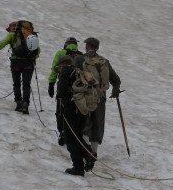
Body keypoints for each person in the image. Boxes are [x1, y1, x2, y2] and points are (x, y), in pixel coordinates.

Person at [72, 37, 121, 170]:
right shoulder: (104, 62)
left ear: (87, 46)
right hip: (100, 98)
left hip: (84, 98)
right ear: (97, 48)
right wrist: (115, 91)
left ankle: (86, 153)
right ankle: (94, 152)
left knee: (85, 125)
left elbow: (73, 78)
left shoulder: (79, 59)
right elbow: (116, 80)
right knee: (97, 125)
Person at [0, 21, 40, 114]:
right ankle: (25, 103)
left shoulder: (12, 35)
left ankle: (18, 103)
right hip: (29, 63)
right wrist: (33, 58)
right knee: (26, 84)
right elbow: (38, 50)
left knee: (16, 84)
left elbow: (2, 44)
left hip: (16, 63)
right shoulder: (31, 35)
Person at [55, 55, 92, 176]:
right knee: (77, 135)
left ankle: (78, 167)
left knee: (70, 138)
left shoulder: (65, 72)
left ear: (61, 65)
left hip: (71, 108)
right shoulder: (78, 71)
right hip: (83, 108)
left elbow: (60, 93)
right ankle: (89, 154)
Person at [48, 37, 81, 146]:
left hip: (62, 86)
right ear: (76, 45)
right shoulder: (81, 55)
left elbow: (54, 68)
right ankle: (75, 132)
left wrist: (51, 84)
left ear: (66, 44)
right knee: (75, 110)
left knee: (60, 110)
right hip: (78, 88)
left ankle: (62, 131)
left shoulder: (61, 53)